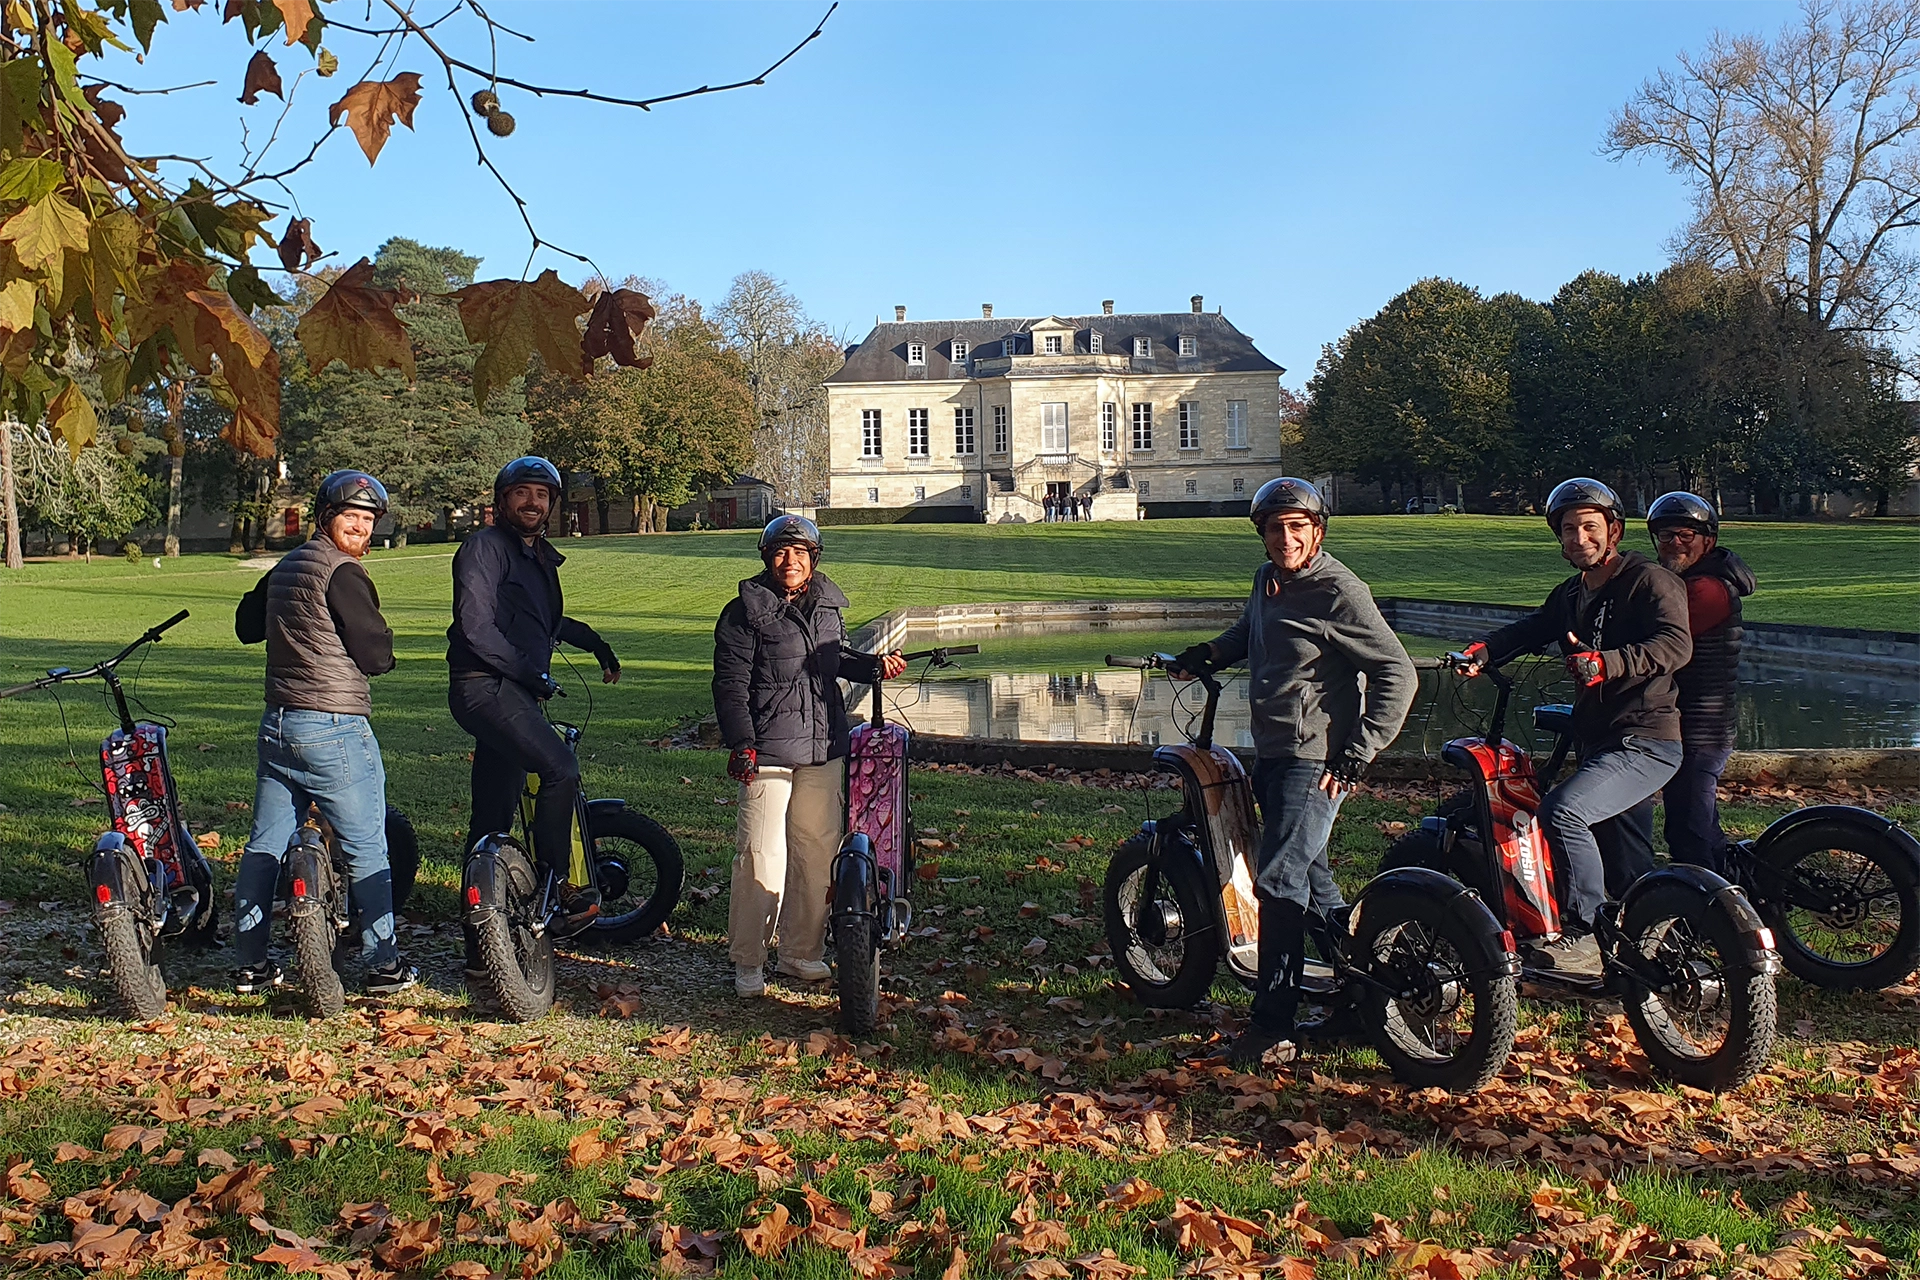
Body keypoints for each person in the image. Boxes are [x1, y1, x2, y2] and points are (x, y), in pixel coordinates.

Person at [1170, 477, 1418, 1065]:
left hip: (1318, 760)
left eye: (1297, 528)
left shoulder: (1338, 590)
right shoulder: (1269, 581)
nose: (1286, 538)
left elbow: (1397, 673)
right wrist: (1204, 656)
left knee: (1280, 882)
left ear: (1317, 532)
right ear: (1262, 535)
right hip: (1276, 752)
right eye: (1276, 529)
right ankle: (1363, 1002)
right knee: (1316, 885)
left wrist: (1358, 754)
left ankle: (1272, 1024)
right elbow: (1250, 632)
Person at [1461, 478, 1692, 974]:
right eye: (1568, 530)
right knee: (1629, 865)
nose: (1578, 538)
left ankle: (1584, 937)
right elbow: (1531, 629)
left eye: (1590, 527)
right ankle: (1651, 966)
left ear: (1613, 530)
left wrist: (1608, 663)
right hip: (1601, 741)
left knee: (1563, 812)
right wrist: (1483, 652)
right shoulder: (1571, 594)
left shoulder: (1650, 580)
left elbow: (1676, 645)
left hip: (1645, 740)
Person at [231, 470, 414, 997]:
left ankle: (251, 964)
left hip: (279, 724)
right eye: (350, 517)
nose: (359, 528)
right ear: (326, 518)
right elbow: (375, 655)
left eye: (366, 520)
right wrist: (384, 648)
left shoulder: (288, 565)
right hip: (333, 724)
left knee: (264, 845)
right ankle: (384, 966)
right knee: (366, 847)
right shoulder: (343, 572)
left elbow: (246, 625)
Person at [713, 515, 906, 996]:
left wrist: (874, 667)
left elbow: (833, 658)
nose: (790, 561)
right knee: (761, 853)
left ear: (814, 559)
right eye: (781, 551)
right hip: (768, 746)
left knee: (817, 852)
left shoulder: (826, 604)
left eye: (800, 552)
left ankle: (801, 953)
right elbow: (730, 684)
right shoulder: (742, 613)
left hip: (824, 744)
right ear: (767, 557)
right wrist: (742, 743)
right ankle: (749, 960)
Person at [447, 457, 621, 944]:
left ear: (552, 505)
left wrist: (596, 645)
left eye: (542, 495)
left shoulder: (536, 554)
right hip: (485, 687)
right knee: (559, 767)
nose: (533, 502)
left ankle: (482, 945)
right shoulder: (485, 547)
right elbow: (475, 627)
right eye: (522, 492)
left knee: (492, 817)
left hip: (512, 690)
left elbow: (544, 622)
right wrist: (532, 673)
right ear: (503, 500)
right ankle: (558, 886)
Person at [1620, 492, 1755, 875]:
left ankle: (1711, 912)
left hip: (1702, 728)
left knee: (1689, 831)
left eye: (1685, 535)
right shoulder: (1688, 581)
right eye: (1665, 536)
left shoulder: (1706, 590)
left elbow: (1652, 635)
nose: (1674, 543)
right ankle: (1735, 892)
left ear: (1707, 541)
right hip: (1687, 725)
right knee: (1696, 824)